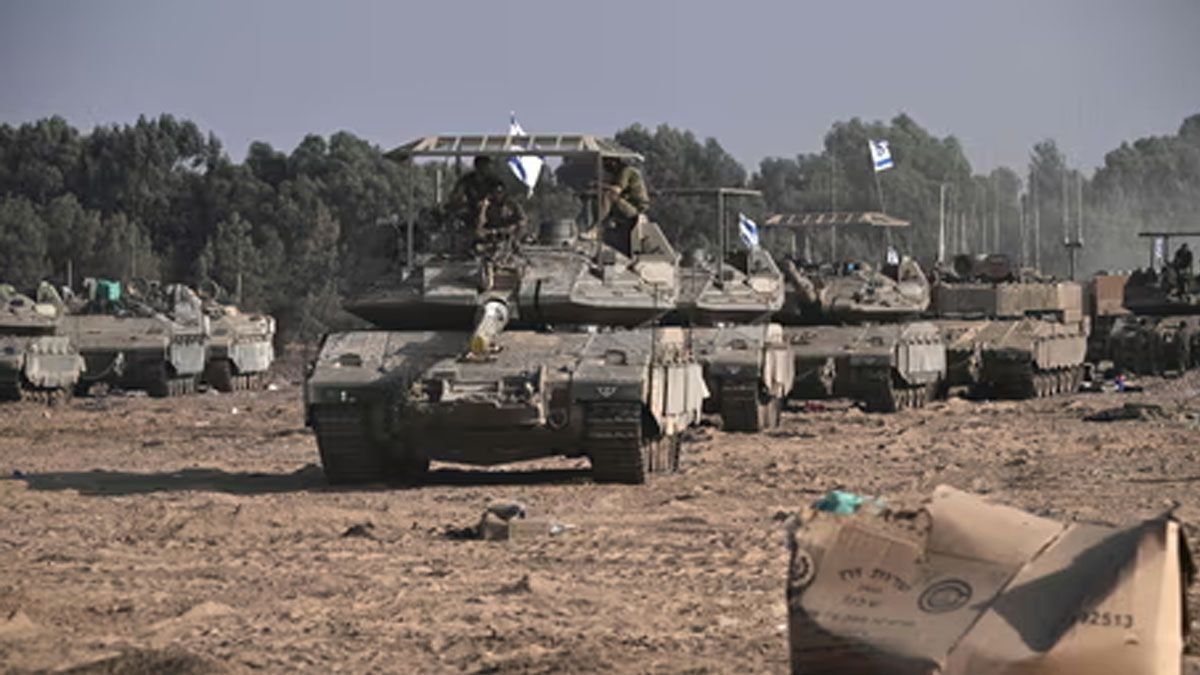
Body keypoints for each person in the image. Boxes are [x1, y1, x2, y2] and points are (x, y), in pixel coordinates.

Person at [597, 157, 650, 255]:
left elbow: (616, 190)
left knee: (609, 195)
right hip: (628, 207)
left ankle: (597, 227)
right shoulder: (618, 174)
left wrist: (599, 185)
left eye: (606, 161)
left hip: (635, 210)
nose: (604, 166)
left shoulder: (626, 171)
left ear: (614, 162)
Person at [447, 156, 503, 228]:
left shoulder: (495, 181)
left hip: (490, 210)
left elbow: (500, 196)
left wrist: (487, 201)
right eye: (485, 165)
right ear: (478, 166)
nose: (488, 168)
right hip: (471, 209)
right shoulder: (467, 179)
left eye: (488, 165)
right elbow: (456, 194)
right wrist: (459, 200)